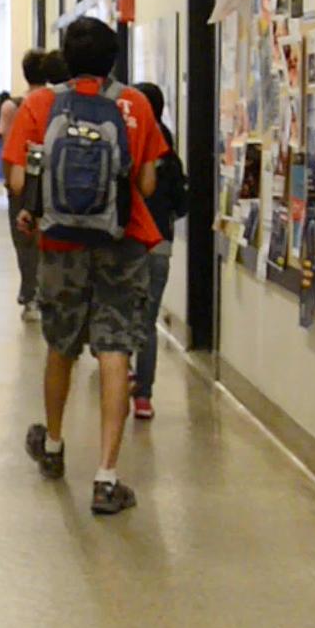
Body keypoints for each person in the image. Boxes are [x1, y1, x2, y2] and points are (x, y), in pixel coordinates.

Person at [3, 16, 168, 515]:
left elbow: (16, 182)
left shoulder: (39, 104)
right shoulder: (135, 104)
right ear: (114, 59)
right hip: (122, 244)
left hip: (61, 246)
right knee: (116, 348)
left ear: (66, 60)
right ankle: (106, 476)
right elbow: (146, 187)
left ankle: (53, 446)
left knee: (61, 346)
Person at [130, 82, 188, 420]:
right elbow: (182, 204)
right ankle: (144, 396)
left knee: (123, 314)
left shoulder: (129, 142)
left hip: (128, 242)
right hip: (160, 245)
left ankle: (119, 369)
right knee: (147, 322)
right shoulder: (169, 151)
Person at [8, 49, 67, 321]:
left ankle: (33, 296)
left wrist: (20, 197)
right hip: (74, 192)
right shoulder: (106, 101)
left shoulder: (33, 103)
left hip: (36, 189)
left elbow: (17, 169)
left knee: (28, 244)